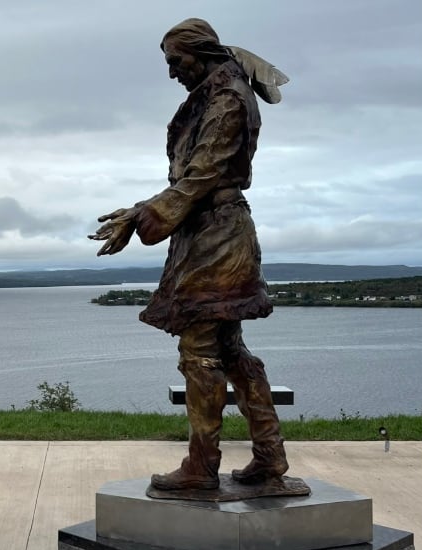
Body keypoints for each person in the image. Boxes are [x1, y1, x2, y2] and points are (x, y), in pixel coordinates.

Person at [89, 19, 290, 491]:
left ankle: (202, 467)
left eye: (176, 61)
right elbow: (196, 178)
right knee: (231, 351)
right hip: (210, 232)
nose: (172, 72)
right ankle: (270, 457)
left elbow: (201, 174)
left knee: (200, 351)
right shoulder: (219, 92)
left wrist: (145, 219)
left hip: (217, 237)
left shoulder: (226, 98)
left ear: (202, 53)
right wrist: (142, 210)